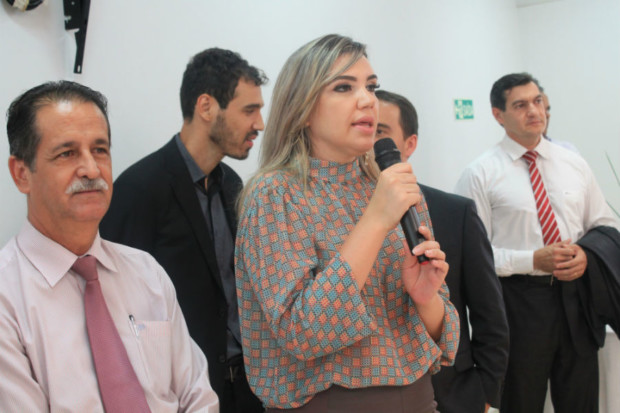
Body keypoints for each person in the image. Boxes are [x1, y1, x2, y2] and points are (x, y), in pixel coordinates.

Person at [235, 34, 459, 413]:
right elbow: (302, 333)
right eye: (344, 87)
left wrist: (427, 301)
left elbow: (446, 336)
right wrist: (375, 221)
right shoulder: (275, 195)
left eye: (371, 87)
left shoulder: (392, 186)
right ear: (303, 107)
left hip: (421, 398)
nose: (367, 100)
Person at [0, 80, 218, 412]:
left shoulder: (146, 272)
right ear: (21, 174)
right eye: (67, 153)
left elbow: (197, 395)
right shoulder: (6, 299)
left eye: (100, 150)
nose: (91, 169)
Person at [100, 48, 266, 413]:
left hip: (247, 388)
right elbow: (114, 307)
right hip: (180, 394)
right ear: (206, 107)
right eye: (249, 110)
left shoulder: (232, 185)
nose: (260, 123)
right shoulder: (139, 189)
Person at [454, 72, 618, 413]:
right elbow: (474, 257)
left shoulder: (573, 163)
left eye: (537, 101)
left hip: (577, 299)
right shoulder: (480, 173)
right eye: (520, 105)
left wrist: (585, 255)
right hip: (519, 302)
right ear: (498, 115)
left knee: (581, 400)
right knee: (521, 401)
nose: (533, 111)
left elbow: (604, 223)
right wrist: (531, 260)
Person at [375, 90, 509, 413]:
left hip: (453, 392)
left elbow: (489, 315)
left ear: (409, 144)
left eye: (380, 132)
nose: (368, 142)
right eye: (363, 128)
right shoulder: (338, 218)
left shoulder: (455, 212)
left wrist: (485, 395)